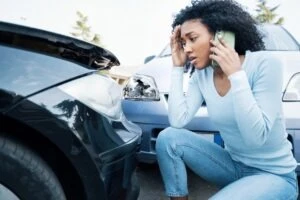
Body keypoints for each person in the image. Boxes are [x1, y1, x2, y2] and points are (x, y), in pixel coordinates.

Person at [155, 0, 298, 199]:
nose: (186, 49)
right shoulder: (202, 76)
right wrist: (178, 68)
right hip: (233, 168)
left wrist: (236, 75)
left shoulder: (265, 64)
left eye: (192, 39)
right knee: (168, 138)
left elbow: (255, 138)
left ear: (222, 36)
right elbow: (178, 120)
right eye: (183, 43)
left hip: (275, 176)